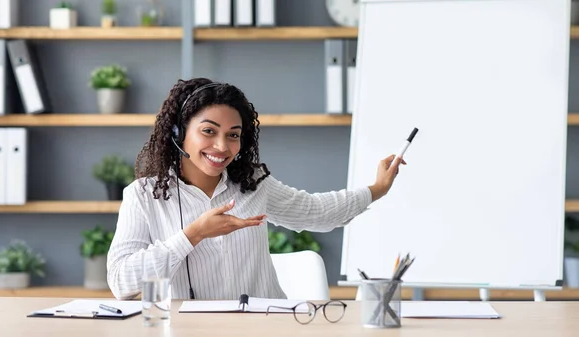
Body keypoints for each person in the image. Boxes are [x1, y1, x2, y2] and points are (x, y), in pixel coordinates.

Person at [106, 77, 406, 301]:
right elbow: (121, 282)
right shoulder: (143, 196)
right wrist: (193, 234)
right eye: (208, 131)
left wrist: (376, 188)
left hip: (264, 328)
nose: (222, 147)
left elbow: (317, 213)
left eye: (233, 135)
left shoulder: (252, 184)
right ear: (179, 133)